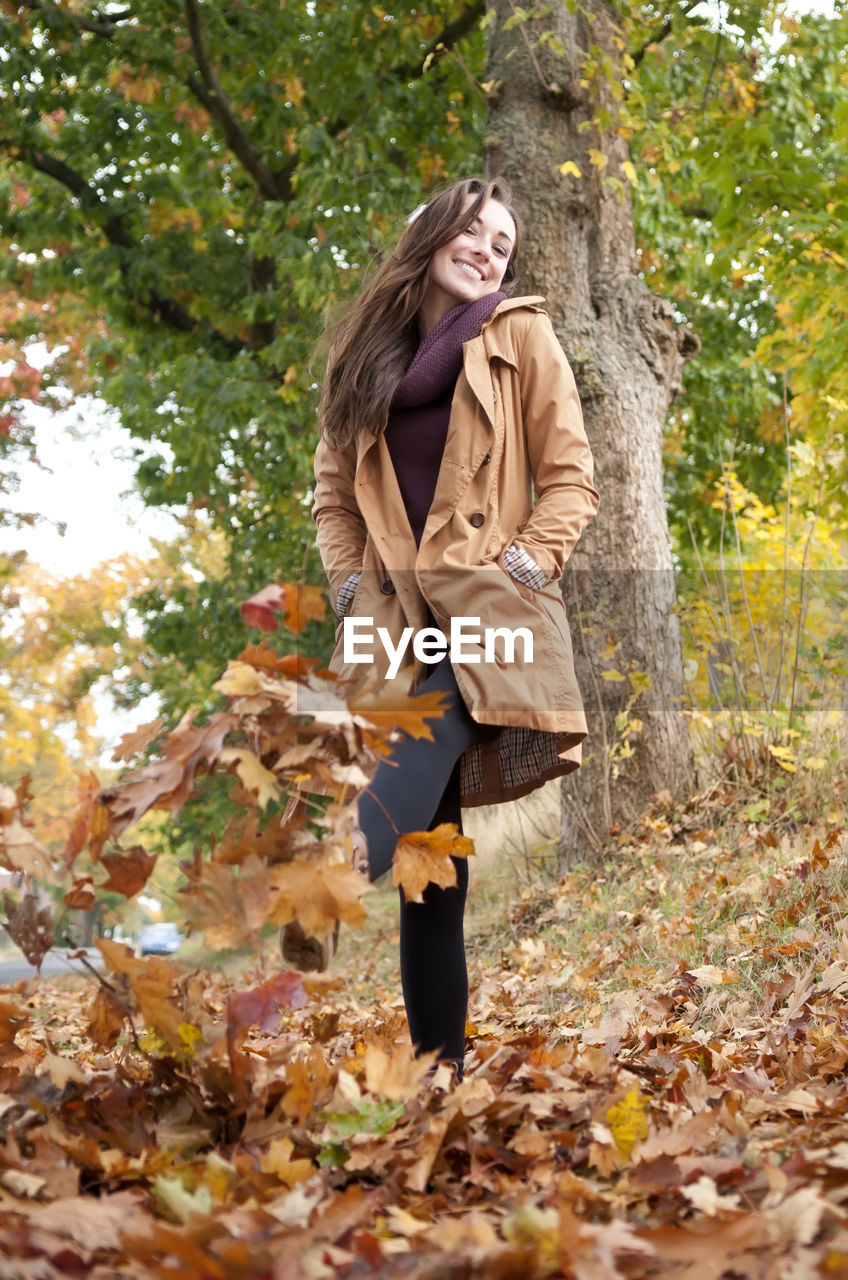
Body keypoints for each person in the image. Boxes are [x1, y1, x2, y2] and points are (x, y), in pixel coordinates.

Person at [284, 176, 599, 1079]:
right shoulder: (364, 364)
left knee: (427, 742)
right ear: (429, 238)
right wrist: (348, 587)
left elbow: (571, 474)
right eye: (473, 232)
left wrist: (530, 561)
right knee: (435, 865)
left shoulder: (520, 336)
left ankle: (329, 885)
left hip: (491, 605)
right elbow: (333, 496)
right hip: (398, 624)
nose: (489, 251)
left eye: (503, 243)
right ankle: (441, 1076)